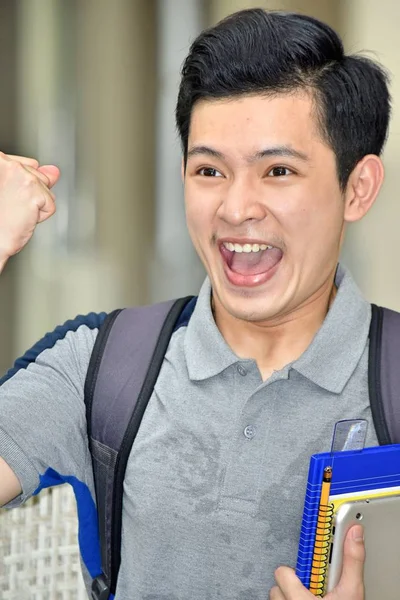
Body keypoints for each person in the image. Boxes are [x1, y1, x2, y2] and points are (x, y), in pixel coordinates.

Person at [0, 7, 389, 600]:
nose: (236, 209)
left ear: (356, 188)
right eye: (209, 170)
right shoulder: (102, 370)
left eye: (277, 170)